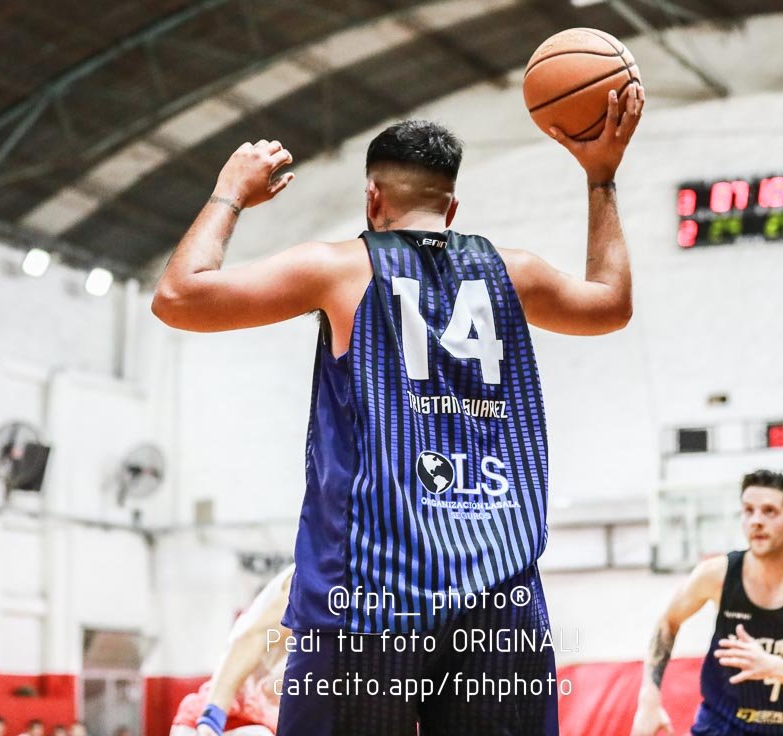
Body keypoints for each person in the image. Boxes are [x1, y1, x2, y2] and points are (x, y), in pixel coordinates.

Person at [153, 84, 644, 736]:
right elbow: (611, 303)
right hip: (498, 599)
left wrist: (230, 194)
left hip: (367, 598)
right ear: (453, 204)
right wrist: (601, 178)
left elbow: (178, 296)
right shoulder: (514, 272)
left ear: (373, 200)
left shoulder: (341, 269)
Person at [631, 470, 783, 735]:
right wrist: (649, 697)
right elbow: (668, 622)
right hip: (725, 726)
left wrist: (773, 666)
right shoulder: (716, 575)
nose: (756, 521)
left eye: (769, 511)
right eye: (749, 510)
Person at [171, 564, 294, 736]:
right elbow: (257, 637)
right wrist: (213, 716)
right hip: (231, 718)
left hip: (265, 719)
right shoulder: (316, 578)